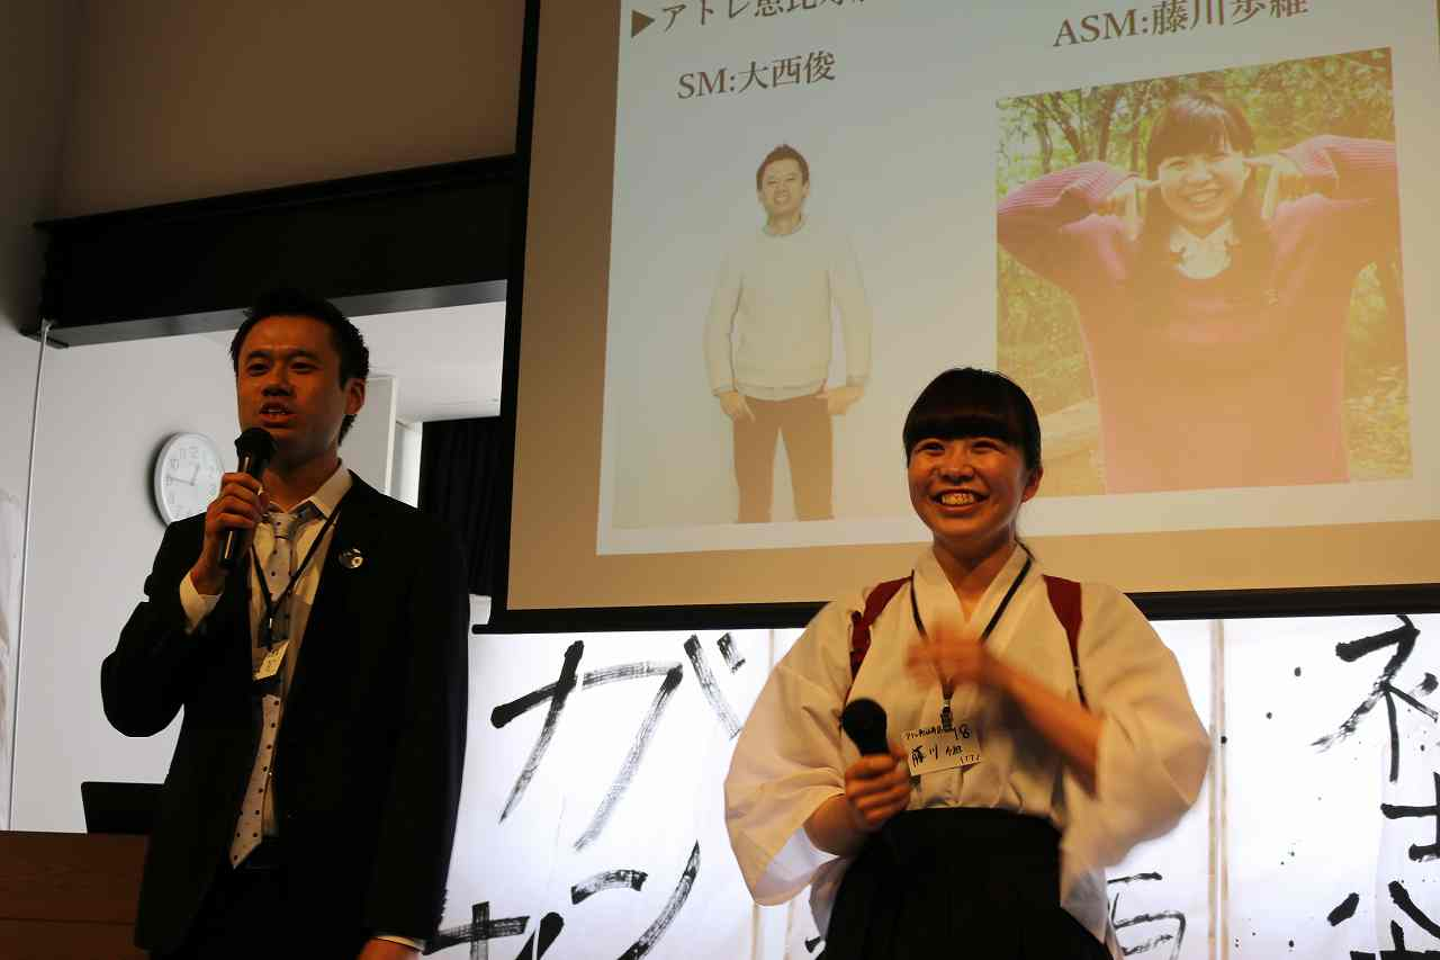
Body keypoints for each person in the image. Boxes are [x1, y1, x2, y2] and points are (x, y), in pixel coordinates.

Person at [724, 368, 1210, 958]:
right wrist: (855, 813)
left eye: (983, 446)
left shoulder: (1087, 614)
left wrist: (1009, 684)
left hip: (1038, 924)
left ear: (1032, 478)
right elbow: (772, 797)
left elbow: (1158, 770)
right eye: (932, 448)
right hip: (882, 923)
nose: (954, 467)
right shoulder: (856, 622)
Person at [101, 289, 469, 959]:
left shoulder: (414, 548)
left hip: (335, 905)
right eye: (256, 366)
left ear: (352, 395)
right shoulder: (196, 542)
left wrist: (401, 927)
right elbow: (130, 706)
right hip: (197, 907)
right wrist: (203, 582)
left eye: (300, 366)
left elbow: (429, 751)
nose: (274, 383)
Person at [998, 91, 1400, 493]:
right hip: (1159, 512)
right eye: (1178, 163)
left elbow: (1420, 175)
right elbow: (1006, 220)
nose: (1198, 177)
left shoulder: (1313, 230)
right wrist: (1096, 181)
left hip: (1301, 506)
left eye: (1216, 157)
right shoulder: (1105, 247)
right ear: (1153, 176)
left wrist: (1320, 157)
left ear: (1248, 162)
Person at [704, 143, 873, 522]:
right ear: (759, 193)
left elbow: (855, 311)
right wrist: (724, 388)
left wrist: (855, 382)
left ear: (806, 187)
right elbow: (717, 322)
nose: (781, 188)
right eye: (771, 181)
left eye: (790, 179)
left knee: (816, 509)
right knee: (752, 509)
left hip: (810, 398)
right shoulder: (741, 250)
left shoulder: (829, 242)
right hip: (750, 402)